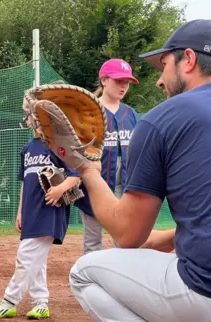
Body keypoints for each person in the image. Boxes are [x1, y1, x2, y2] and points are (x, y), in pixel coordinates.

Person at [69, 19, 211, 321]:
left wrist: (86, 169)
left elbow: (127, 236)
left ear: (187, 60)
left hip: (207, 290)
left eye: (164, 65)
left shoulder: (162, 117)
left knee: (84, 271)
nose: (160, 81)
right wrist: (166, 240)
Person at [0, 106, 81, 319]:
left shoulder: (58, 144)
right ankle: (40, 302)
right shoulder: (28, 148)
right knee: (37, 259)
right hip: (31, 211)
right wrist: (20, 212)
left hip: (50, 211)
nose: (26, 119)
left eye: (29, 115)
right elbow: (25, 184)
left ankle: (10, 300)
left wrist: (60, 189)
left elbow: (76, 175)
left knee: (26, 255)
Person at [74, 59, 140, 254]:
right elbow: (77, 149)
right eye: (119, 80)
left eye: (127, 82)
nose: (124, 86)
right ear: (104, 80)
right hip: (95, 182)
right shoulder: (88, 112)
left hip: (126, 183)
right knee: (93, 242)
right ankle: (91, 281)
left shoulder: (131, 114)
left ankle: (123, 280)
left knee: (124, 238)